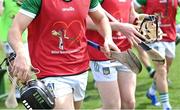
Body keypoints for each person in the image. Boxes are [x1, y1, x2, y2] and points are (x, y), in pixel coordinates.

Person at [8, 0, 120, 109]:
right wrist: (21, 53)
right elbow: (15, 30)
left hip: (80, 68)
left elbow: (101, 18)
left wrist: (108, 38)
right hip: (50, 71)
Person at [86, 0, 146, 109]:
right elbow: (85, 21)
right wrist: (118, 26)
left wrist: (142, 23)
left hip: (125, 51)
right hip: (103, 54)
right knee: (112, 107)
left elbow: (131, 14)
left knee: (129, 104)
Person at [134, 0, 180, 110]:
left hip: (170, 37)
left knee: (164, 71)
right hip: (154, 38)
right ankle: (166, 106)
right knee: (162, 70)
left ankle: (151, 92)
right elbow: (131, 11)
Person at [0, 0, 28, 108]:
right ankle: (16, 92)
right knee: (12, 66)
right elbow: (0, 12)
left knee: (25, 66)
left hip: (24, 37)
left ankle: (23, 90)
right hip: (7, 37)